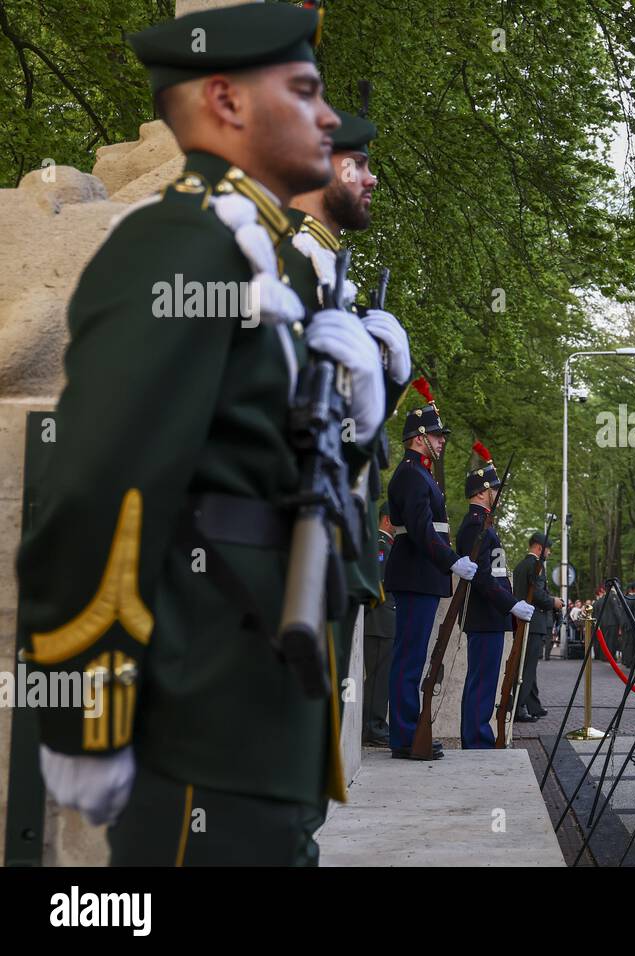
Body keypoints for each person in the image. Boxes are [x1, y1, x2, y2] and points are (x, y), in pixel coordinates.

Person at [15, 3, 387, 865]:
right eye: (305, 92)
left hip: (267, 701)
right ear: (226, 101)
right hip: (203, 703)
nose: (330, 120)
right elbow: (99, 486)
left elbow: (287, 471)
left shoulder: (276, 260)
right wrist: (87, 715)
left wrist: (363, 420)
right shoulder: (179, 247)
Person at [279, 80, 411, 697]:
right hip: (296, 525)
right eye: (356, 165)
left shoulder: (327, 270)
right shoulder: (287, 264)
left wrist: (390, 379)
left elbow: (352, 426)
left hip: (341, 520)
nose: (370, 179)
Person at [384, 398, 477, 759]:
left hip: (422, 575)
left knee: (415, 655)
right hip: (415, 575)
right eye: (437, 436)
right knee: (409, 656)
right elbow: (423, 531)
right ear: (420, 437)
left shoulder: (421, 473)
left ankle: (409, 731)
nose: (442, 442)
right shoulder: (411, 473)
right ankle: (405, 736)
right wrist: (453, 561)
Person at [457, 443, 535, 748]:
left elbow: (499, 576)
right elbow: (484, 579)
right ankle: (476, 739)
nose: (496, 493)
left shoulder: (487, 527)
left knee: (486, 682)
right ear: (481, 492)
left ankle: (478, 735)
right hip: (485, 615)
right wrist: (512, 605)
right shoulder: (476, 526)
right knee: (481, 682)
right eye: (493, 488)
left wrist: (511, 603)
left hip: (493, 616)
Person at [512, 533, 563, 722]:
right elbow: (538, 596)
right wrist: (554, 602)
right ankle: (518, 708)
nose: (549, 553)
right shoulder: (535, 566)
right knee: (527, 668)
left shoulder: (520, 566)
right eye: (547, 549)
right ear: (539, 548)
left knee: (527, 666)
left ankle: (533, 705)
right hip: (534, 622)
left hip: (524, 621)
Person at [361, 504, 398, 746]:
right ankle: (372, 728)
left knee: (381, 678)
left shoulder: (384, 545)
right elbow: (379, 582)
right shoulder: (379, 546)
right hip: (379, 620)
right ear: (387, 520)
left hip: (384, 620)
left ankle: (374, 725)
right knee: (377, 678)